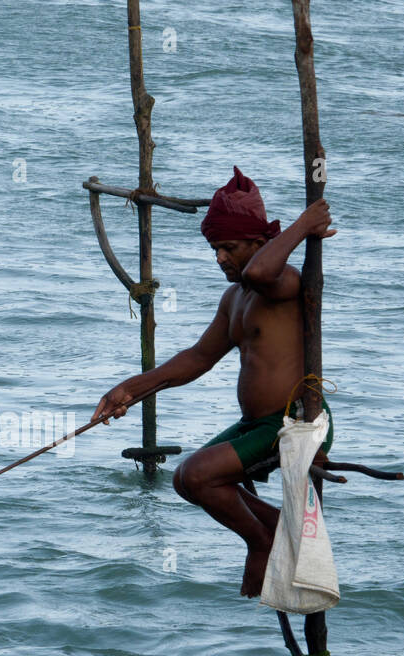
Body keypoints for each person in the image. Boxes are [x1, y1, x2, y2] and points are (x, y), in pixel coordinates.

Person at [91, 166, 337, 596]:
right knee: (186, 479)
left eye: (229, 247)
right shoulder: (235, 298)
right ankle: (273, 527)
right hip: (256, 424)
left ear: (261, 245)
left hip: (293, 421)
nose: (220, 258)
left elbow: (261, 271)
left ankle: (261, 541)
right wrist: (129, 389)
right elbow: (198, 359)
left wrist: (303, 225)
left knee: (200, 474)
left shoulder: (282, 283)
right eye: (214, 249)